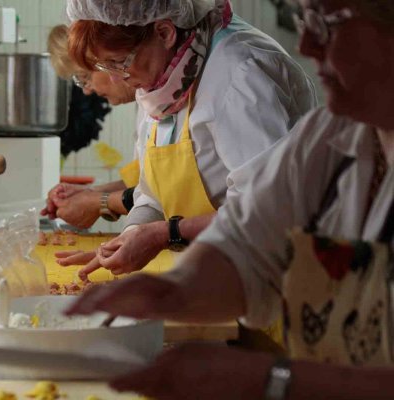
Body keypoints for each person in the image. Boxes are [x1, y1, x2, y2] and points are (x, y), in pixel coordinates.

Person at [65, 0, 394, 398]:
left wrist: (269, 380)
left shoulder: (239, 72)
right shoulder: (333, 135)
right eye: (305, 21)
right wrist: (172, 292)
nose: (305, 44)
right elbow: (250, 234)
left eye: (329, 23)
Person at [65, 0, 317, 281]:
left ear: (164, 32)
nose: (115, 79)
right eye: (105, 66)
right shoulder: (165, 80)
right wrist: (127, 238)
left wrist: (166, 233)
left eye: (119, 63)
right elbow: (153, 196)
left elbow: (268, 211)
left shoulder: (240, 74)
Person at [42, 25, 147, 235]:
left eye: (84, 77)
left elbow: (163, 196)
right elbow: (144, 183)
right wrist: (88, 194)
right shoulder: (145, 106)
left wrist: (98, 201)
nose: (87, 90)